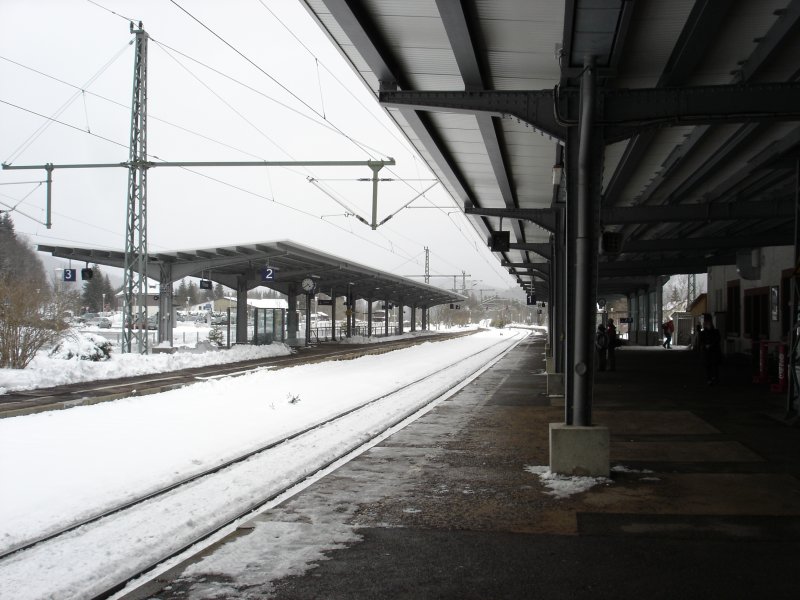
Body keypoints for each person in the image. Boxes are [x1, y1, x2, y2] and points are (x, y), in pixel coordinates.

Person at [699, 313, 722, 384]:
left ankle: (714, 378)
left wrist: (710, 345)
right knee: (708, 365)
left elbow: (717, 339)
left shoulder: (715, 331)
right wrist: (705, 345)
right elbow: (701, 340)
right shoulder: (704, 332)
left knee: (714, 365)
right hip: (708, 351)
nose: (706, 324)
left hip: (713, 350)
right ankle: (710, 378)